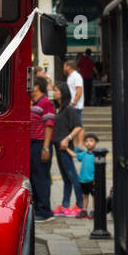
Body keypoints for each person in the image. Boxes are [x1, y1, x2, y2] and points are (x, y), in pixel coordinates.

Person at [52, 82, 84, 217]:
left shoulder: (69, 109)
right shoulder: (58, 108)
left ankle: (80, 205)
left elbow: (78, 127)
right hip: (57, 147)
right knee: (66, 178)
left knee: (72, 176)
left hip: (65, 147)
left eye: (56, 91)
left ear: (63, 93)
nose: (54, 93)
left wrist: (67, 139)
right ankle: (65, 205)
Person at [30, 75, 55, 221]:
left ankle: (45, 210)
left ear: (37, 86)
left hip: (41, 143)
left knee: (41, 177)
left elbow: (49, 125)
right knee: (34, 176)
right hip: (32, 144)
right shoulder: (33, 102)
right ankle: (39, 208)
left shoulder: (45, 103)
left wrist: (45, 148)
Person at [75, 133, 98, 219]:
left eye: (91, 141)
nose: (88, 143)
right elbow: (75, 155)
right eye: (87, 141)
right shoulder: (84, 154)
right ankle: (84, 210)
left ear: (96, 143)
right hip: (83, 180)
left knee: (94, 196)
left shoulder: (97, 155)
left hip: (92, 180)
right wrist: (66, 149)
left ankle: (94, 210)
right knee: (85, 195)